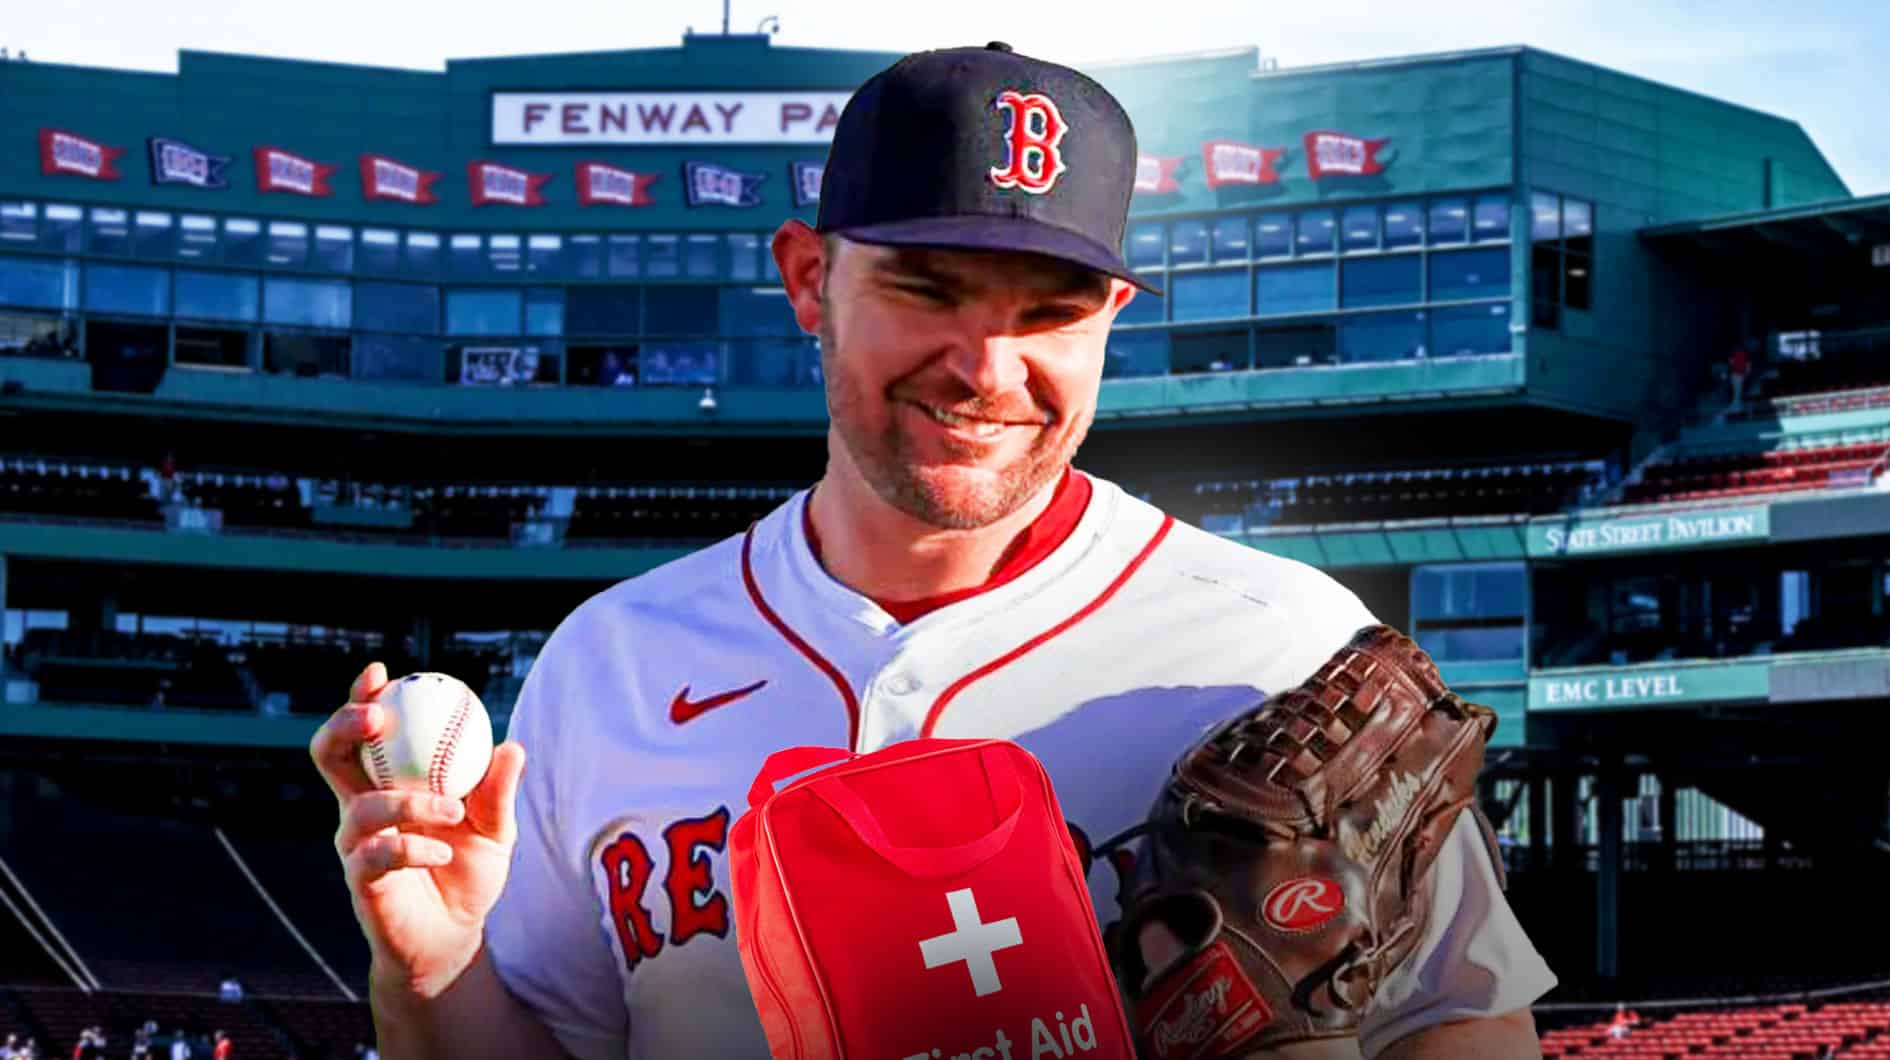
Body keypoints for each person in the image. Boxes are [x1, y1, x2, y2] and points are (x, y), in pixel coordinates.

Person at [312, 41, 1556, 1060]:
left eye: (1049, 309)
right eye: (929, 288)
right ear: (809, 279)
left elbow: (1471, 1024)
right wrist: (431, 969)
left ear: (1112, 316)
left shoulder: (1281, 646)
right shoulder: (614, 660)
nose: (986, 367)